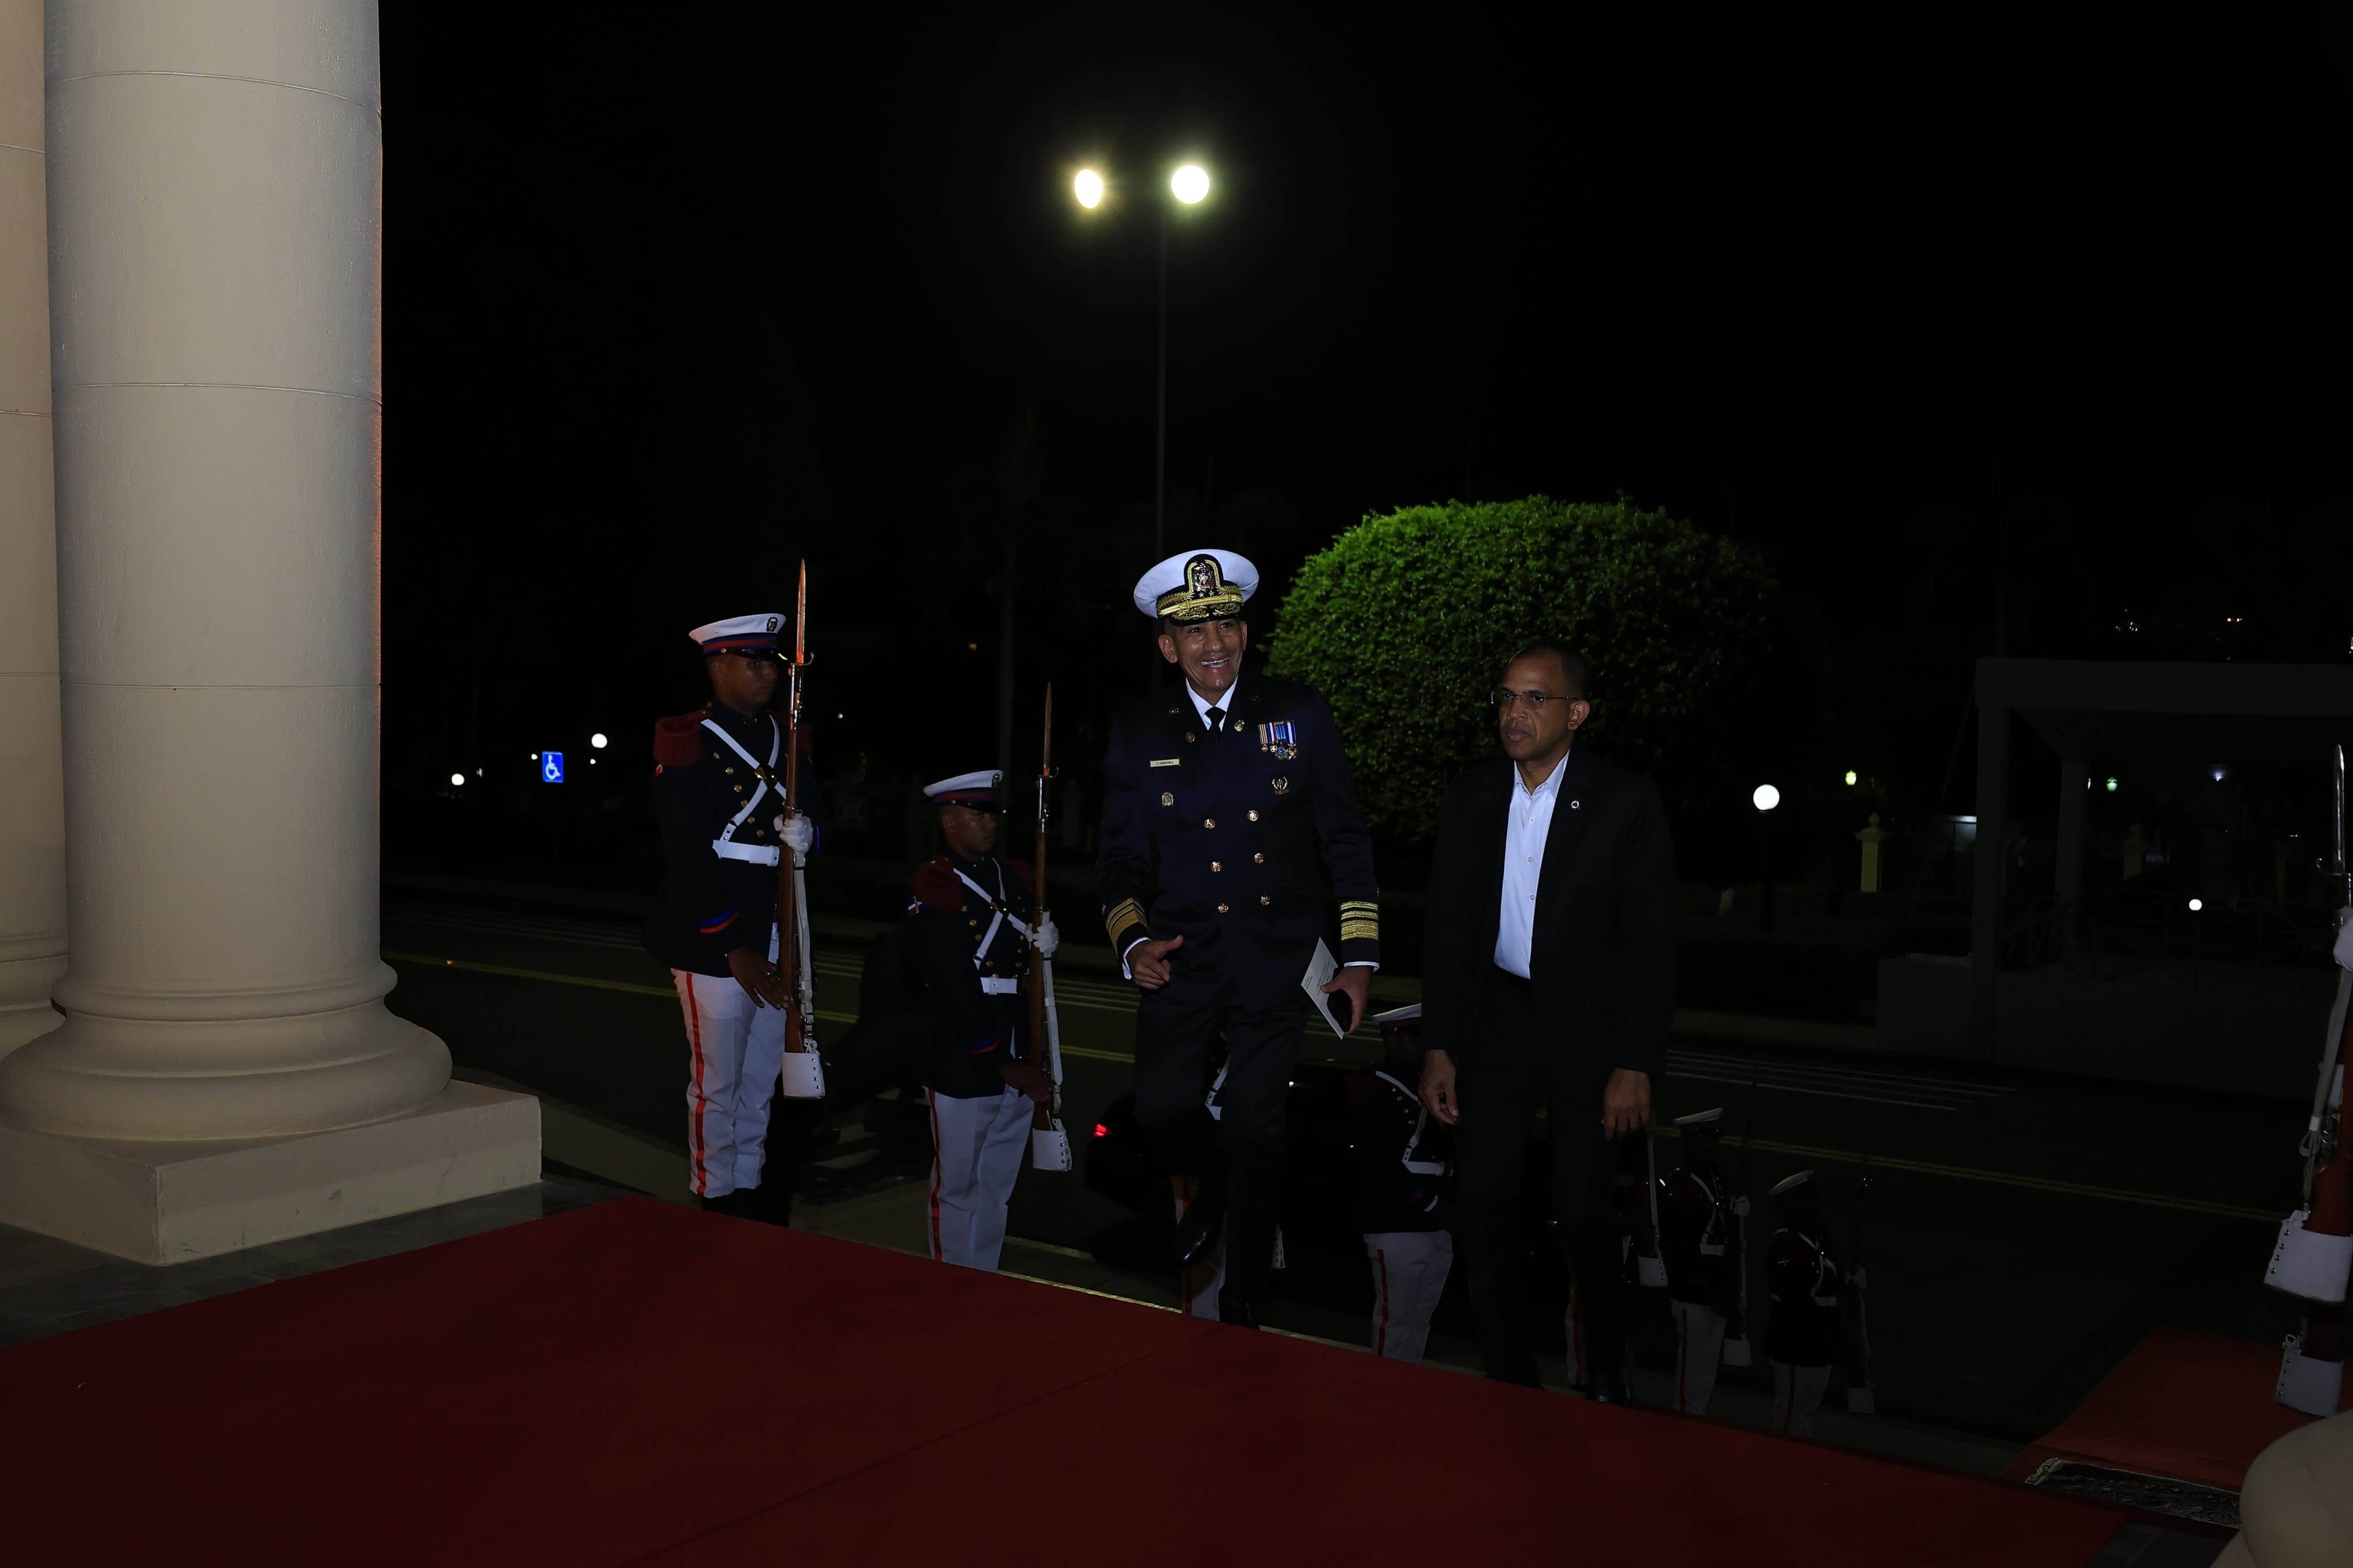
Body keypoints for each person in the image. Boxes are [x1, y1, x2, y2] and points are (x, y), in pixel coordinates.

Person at [1096, 548, 1380, 1328]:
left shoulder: (1298, 713)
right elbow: (1119, 861)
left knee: (1260, 1128)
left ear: (1246, 632)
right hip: (1183, 957)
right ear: (1167, 647)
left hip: (1276, 956)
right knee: (1158, 1111)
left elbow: (1345, 840)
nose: (1212, 640)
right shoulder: (1137, 730)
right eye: (1192, 630)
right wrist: (1133, 943)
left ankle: (1246, 1301)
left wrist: (1358, 959)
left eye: (1224, 622)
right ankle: (1215, 1187)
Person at [1417, 639, 1677, 1402]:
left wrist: (1636, 1062)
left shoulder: (1625, 802)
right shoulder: (1471, 798)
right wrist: (1438, 1045)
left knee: (1583, 1213)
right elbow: (1448, 932)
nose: (1515, 714)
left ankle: (1603, 1373)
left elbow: (1654, 946)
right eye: (1505, 698)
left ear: (1578, 713)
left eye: (1535, 699)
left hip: (1589, 1032)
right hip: (1498, 1021)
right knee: (1488, 1199)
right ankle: (1508, 1371)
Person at [643, 612, 823, 1219]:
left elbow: (817, 823)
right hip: (711, 932)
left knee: (757, 1079)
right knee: (716, 1081)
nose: (767, 673)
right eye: (753, 662)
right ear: (718, 667)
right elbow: (688, 853)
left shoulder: (786, 736)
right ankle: (713, 1196)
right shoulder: (689, 736)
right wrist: (732, 944)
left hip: (777, 926)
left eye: (770, 662)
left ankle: (748, 1192)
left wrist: (809, 835)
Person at [902, 771, 1060, 1271]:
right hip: (964, 1052)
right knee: (958, 1186)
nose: (987, 824)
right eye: (975, 814)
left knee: (995, 1187)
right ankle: (950, 1284)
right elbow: (950, 978)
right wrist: (998, 1058)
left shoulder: (1013, 878)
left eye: (991, 813)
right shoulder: (936, 884)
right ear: (949, 822)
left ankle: (983, 1278)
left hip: (1016, 1040)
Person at [1352, 1004, 1454, 1363]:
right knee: (1395, 1322)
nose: (1424, 1048)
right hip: (1397, 1221)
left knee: (1420, 1321)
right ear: (1394, 1038)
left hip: (1438, 1224)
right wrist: (1430, 1204)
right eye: (1417, 1039)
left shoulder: (1431, 1085)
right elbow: (1379, 1160)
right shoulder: (1375, 1085)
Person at [1661, 1107, 1743, 1415]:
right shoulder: (1683, 1182)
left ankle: (1697, 1415)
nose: (1713, 1146)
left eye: (1714, 1139)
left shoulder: (1717, 1178)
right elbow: (1679, 1244)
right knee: (1691, 1368)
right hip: (1692, 1289)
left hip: (1715, 1288)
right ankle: (1684, 1419)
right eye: (1707, 1139)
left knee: (1707, 1367)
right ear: (1691, 1141)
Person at [1765, 1169, 1844, 1438]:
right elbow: (1795, 1293)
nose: (1813, 1207)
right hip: (1797, 1344)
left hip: (1818, 1344)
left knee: (1806, 1411)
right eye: (1805, 1201)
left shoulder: (1815, 1238)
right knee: (1790, 1415)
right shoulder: (1786, 1243)